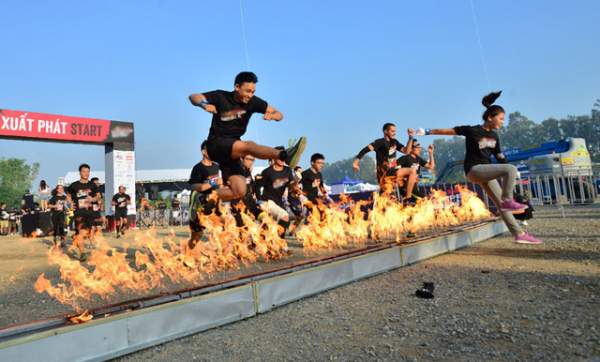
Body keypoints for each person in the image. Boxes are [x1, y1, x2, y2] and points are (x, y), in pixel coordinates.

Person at [417, 91, 543, 244]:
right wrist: (427, 131)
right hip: (474, 170)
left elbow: (500, 157)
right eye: (501, 118)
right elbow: (449, 131)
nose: (503, 122)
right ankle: (508, 200)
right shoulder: (473, 131)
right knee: (510, 170)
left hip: (486, 173)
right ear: (490, 118)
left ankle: (519, 234)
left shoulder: (495, 137)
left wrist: (508, 170)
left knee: (502, 205)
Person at [188, 71, 306, 202]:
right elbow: (193, 96)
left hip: (232, 151)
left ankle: (203, 198)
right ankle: (283, 155)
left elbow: (279, 114)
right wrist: (204, 104)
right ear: (237, 87)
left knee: (239, 190)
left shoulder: (253, 102)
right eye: (247, 91)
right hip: (216, 143)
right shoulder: (221, 96)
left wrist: (273, 116)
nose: (250, 95)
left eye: (253, 92)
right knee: (248, 146)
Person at [353, 123, 418, 200]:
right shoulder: (380, 142)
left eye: (395, 131)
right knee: (412, 171)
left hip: (393, 170)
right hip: (385, 172)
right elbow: (365, 150)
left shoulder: (395, 142)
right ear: (385, 131)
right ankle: (408, 198)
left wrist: (410, 138)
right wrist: (356, 162)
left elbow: (406, 151)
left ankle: (404, 196)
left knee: (412, 176)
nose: (395, 133)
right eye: (392, 131)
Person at [187, 141, 222, 249]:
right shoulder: (198, 168)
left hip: (213, 204)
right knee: (197, 235)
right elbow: (198, 187)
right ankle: (188, 254)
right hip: (199, 205)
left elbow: (220, 185)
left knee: (221, 229)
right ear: (203, 151)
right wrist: (214, 182)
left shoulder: (217, 166)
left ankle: (221, 256)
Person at [256, 146, 296, 237]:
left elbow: (291, 186)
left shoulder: (288, 170)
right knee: (285, 217)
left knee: (278, 231)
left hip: (279, 202)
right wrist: (259, 202)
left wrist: (296, 182)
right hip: (267, 202)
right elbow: (257, 187)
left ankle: (277, 246)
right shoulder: (266, 172)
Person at [66, 163, 101, 256]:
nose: (86, 173)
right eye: (84, 171)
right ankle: (82, 253)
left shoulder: (92, 185)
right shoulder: (74, 185)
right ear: (80, 173)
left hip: (90, 213)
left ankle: (75, 242)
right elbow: (68, 196)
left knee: (89, 233)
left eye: (88, 172)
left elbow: (98, 196)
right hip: (79, 212)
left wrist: (93, 199)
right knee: (81, 232)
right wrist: (70, 203)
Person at [232, 154, 262, 227]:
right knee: (241, 227)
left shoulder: (247, 171)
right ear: (242, 159)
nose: (251, 162)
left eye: (253, 160)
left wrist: (257, 182)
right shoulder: (235, 170)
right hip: (237, 205)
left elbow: (250, 188)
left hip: (248, 203)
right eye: (248, 159)